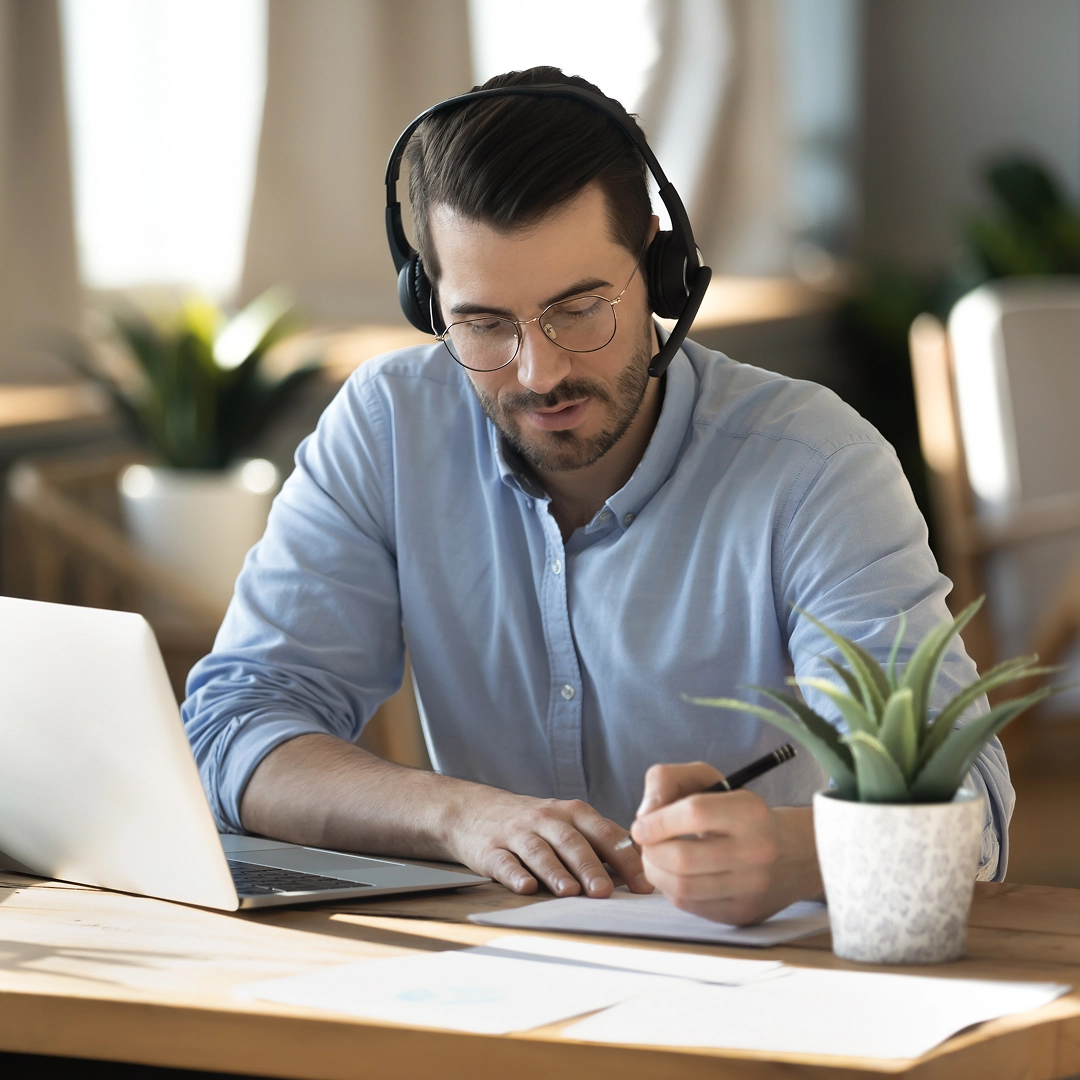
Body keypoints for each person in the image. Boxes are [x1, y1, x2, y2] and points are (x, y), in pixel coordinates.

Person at [182, 67, 1013, 927]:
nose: (539, 373)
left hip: (771, 983)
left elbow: (971, 810)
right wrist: (461, 816)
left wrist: (796, 853)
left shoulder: (814, 464)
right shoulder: (388, 425)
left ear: (661, 268)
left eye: (578, 308)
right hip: (493, 979)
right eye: (484, 324)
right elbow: (234, 726)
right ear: (429, 302)